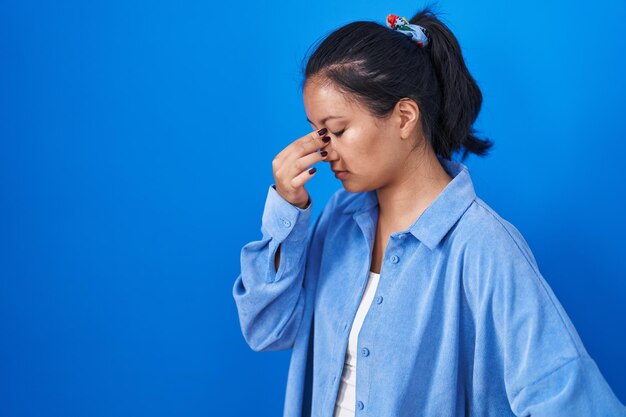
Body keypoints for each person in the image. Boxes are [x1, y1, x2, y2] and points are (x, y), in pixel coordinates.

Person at [232, 6, 626, 417]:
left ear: (404, 117)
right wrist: (287, 213)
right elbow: (266, 329)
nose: (324, 149)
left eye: (338, 130)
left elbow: (572, 399)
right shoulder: (339, 218)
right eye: (318, 132)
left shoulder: (483, 246)